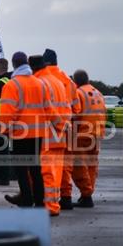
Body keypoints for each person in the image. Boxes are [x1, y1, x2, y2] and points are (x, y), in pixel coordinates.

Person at [0, 51, 55, 208]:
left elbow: (8, 112)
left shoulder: (12, 85)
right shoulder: (41, 83)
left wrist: (5, 130)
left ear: (14, 65)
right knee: (36, 169)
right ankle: (40, 201)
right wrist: (58, 126)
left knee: (22, 170)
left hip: (20, 134)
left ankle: (26, 198)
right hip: (38, 133)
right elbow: (49, 109)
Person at [42, 48, 81, 210]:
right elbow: (77, 109)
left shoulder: (43, 79)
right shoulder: (68, 81)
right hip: (68, 128)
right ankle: (66, 196)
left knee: (48, 166)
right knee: (65, 164)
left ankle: (49, 199)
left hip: (48, 129)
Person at [30, 55, 69, 217]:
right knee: (56, 172)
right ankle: (53, 203)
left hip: (47, 134)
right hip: (59, 135)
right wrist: (63, 127)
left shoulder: (41, 83)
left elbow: (46, 109)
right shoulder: (58, 82)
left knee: (47, 173)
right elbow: (67, 108)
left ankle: (51, 206)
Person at [70, 69, 105, 208]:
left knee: (78, 165)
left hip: (83, 134)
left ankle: (86, 194)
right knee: (91, 165)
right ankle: (87, 194)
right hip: (97, 133)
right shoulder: (98, 93)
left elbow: (76, 115)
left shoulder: (78, 93)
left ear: (75, 81)